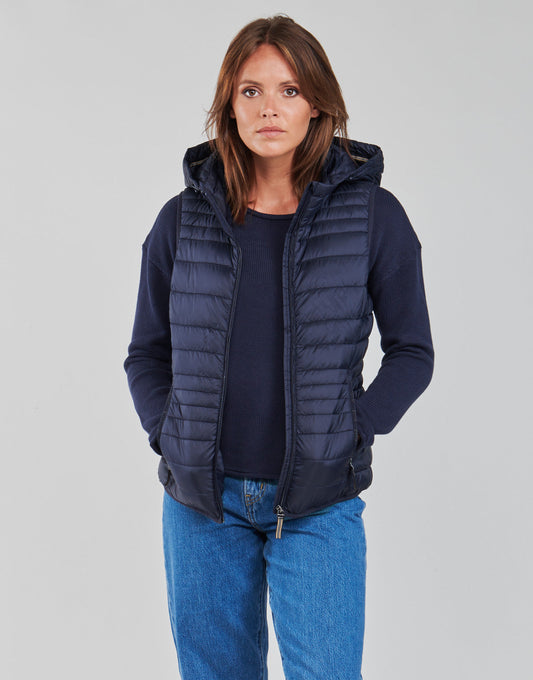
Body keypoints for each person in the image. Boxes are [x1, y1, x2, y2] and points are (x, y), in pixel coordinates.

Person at [123, 14, 434, 680]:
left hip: (318, 502)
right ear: (229, 106)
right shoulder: (181, 221)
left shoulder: (372, 217)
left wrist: (352, 430)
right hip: (202, 506)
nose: (269, 108)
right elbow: (146, 352)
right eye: (251, 91)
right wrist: (169, 432)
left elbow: (412, 351)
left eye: (289, 90)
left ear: (316, 102)